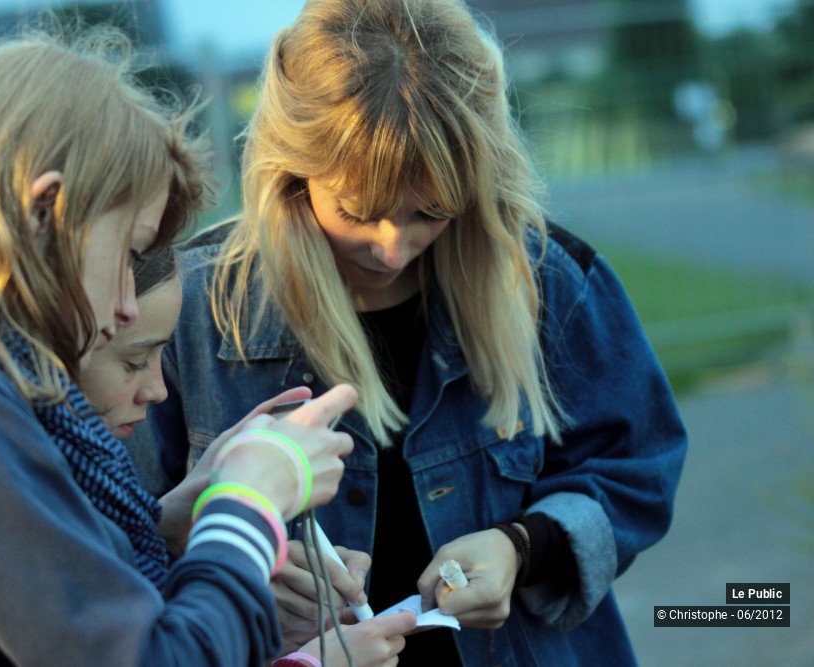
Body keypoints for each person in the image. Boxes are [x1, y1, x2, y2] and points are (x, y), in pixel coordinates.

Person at [135, 0, 689, 664]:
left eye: (430, 212)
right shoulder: (190, 309)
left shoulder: (549, 280)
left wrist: (523, 545)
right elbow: (107, 543)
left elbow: (638, 468)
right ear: (292, 167)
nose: (393, 249)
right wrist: (229, 561)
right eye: (357, 211)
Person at [0, 27, 376, 666]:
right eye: (130, 251)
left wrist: (169, 517)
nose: (127, 306)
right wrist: (247, 505)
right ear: (46, 211)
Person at [82, 246, 417, 666]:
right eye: (134, 361)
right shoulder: (22, 476)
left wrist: (165, 519)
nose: (158, 390)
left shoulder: (62, 465)